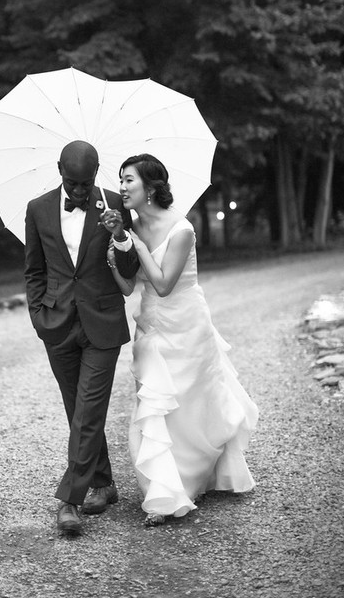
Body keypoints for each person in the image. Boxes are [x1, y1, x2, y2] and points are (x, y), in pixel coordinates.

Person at [107, 153, 258, 526]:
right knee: (156, 406)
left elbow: (163, 283)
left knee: (191, 406)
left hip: (186, 324)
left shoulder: (182, 229)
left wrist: (137, 246)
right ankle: (165, 491)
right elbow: (131, 288)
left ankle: (194, 478)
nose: (122, 188)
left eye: (129, 180)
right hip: (152, 327)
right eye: (121, 180)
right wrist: (115, 253)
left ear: (152, 187)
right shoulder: (131, 226)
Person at [24, 140, 139, 536]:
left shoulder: (114, 205)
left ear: (96, 173)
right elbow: (34, 270)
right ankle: (104, 485)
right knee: (79, 413)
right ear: (59, 170)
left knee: (88, 412)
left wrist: (120, 235)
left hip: (102, 323)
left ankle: (69, 500)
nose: (79, 191)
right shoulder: (37, 209)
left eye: (85, 183)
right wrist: (39, 316)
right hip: (57, 324)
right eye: (72, 183)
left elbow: (131, 269)